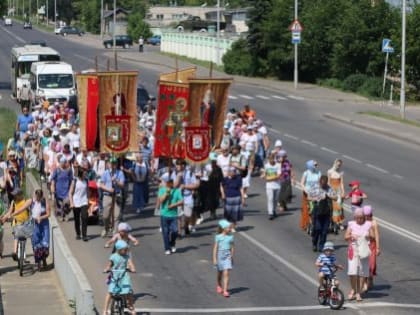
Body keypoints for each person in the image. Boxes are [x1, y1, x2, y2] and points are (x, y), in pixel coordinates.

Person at [344, 207, 374, 302]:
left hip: (364, 249)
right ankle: (354, 289)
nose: (360, 219)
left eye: (361, 217)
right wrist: (352, 235)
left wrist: (368, 235)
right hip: (353, 249)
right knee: (352, 272)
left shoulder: (368, 225)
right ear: (355, 217)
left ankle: (358, 293)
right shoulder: (351, 224)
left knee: (362, 273)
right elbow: (345, 237)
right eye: (358, 218)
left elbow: (373, 237)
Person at [102, 240, 136, 315]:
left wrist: (132, 268)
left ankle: (131, 306)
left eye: (127, 249)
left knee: (128, 291)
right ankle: (105, 309)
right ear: (119, 249)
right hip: (115, 275)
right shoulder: (113, 256)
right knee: (110, 292)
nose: (126, 251)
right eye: (125, 250)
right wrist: (106, 269)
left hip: (124, 275)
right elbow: (109, 265)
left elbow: (130, 264)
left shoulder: (127, 257)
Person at [1, 188, 32, 260]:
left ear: (20, 195)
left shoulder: (25, 201)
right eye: (14, 195)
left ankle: (22, 253)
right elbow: (9, 212)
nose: (14, 196)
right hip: (16, 222)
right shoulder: (13, 202)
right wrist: (4, 218)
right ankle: (15, 252)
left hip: (25, 222)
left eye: (16, 195)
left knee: (23, 237)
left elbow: (30, 211)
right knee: (16, 236)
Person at [308, 175, 336, 252]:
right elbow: (309, 197)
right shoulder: (315, 187)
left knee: (324, 231)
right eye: (322, 184)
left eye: (325, 184)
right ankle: (314, 243)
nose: (323, 186)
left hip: (326, 211)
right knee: (317, 228)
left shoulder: (329, 188)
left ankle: (321, 245)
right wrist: (317, 198)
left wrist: (328, 196)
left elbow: (336, 198)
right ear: (320, 182)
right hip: (317, 210)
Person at [99, 157, 125, 237]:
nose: (113, 165)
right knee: (106, 216)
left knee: (116, 215)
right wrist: (108, 189)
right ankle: (106, 228)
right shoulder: (105, 173)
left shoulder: (120, 173)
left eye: (114, 163)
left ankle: (115, 232)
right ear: (109, 164)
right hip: (107, 196)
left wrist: (116, 181)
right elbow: (101, 185)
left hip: (117, 196)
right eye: (112, 163)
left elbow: (122, 185)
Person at [158, 175, 183, 255]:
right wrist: (166, 193)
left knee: (175, 231)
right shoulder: (162, 190)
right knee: (165, 232)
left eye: (171, 182)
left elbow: (181, 201)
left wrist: (174, 205)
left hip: (173, 215)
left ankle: (172, 243)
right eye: (168, 182)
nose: (170, 184)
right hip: (164, 215)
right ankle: (167, 248)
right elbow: (161, 201)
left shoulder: (177, 191)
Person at [213, 219, 234, 298]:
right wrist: (214, 259)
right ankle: (219, 284)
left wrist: (231, 256)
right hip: (220, 255)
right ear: (223, 228)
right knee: (220, 273)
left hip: (227, 256)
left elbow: (232, 247)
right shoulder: (218, 237)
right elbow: (215, 248)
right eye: (228, 228)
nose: (230, 229)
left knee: (226, 273)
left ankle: (225, 290)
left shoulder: (231, 237)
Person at [30, 189, 51, 271]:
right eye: (36, 196)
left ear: (41, 196)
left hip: (44, 224)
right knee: (37, 243)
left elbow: (48, 214)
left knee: (45, 244)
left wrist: (41, 217)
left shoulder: (45, 201)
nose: (37, 198)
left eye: (39, 197)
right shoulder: (33, 202)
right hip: (35, 225)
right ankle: (39, 262)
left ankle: (44, 259)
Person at [220, 167, 245, 232]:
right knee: (228, 213)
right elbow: (221, 186)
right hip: (228, 198)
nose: (233, 173)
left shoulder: (238, 178)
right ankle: (228, 226)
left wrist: (242, 197)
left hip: (236, 197)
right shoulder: (225, 179)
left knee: (235, 213)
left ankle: (233, 226)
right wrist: (222, 194)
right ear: (228, 172)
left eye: (234, 172)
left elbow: (241, 188)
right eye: (231, 172)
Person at [69, 164, 89, 241]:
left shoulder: (86, 181)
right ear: (81, 174)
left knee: (84, 218)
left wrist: (88, 200)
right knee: (77, 219)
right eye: (84, 174)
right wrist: (71, 203)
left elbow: (87, 191)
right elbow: (70, 193)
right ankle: (78, 233)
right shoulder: (75, 181)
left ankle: (84, 235)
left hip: (84, 202)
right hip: (76, 202)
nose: (85, 175)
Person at [300, 160, 321, 231]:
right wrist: (306, 190)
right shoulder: (306, 173)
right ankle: (306, 223)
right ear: (310, 166)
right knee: (307, 209)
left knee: (316, 209)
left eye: (316, 165)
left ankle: (315, 223)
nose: (316, 166)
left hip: (316, 194)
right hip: (307, 194)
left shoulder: (318, 173)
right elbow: (302, 183)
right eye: (314, 165)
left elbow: (320, 183)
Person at [51, 156, 73, 221]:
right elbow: (53, 180)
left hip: (66, 191)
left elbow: (72, 180)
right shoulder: (57, 170)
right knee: (59, 205)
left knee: (67, 203)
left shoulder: (69, 170)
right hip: (58, 191)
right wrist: (52, 187)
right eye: (61, 162)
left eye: (64, 162)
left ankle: (66, 214)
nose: (63, 163)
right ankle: (61, 215)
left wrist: (71, 189)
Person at [363, 205, 380, 290]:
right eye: (365, 215)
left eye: (368, 215)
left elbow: (377, 235)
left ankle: (370, 278)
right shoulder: (361, 222)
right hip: (364, 244)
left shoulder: (374, 223)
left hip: (372, 245)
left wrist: (378, 248)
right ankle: (365, 283)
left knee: (372, 265)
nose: (367, 217)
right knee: (365, 264)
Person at [260, 153, 281, 220]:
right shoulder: (266, 165)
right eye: (270, 159)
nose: (271, 160)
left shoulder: (278, 165)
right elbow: (265, 173)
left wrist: (269, 178)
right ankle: (270, 213)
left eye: (272, 158)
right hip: (269, 185)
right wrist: (263, 175)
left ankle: (274, 210)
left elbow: (278, 175)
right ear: (268, 159)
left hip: (277, 185)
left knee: (275, 199)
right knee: (270, 199)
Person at [327, 159, 345, 232]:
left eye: (339, 165)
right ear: (334, 163)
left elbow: (341, 183)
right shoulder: (329, 172)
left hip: (338, 191)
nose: (338, 166)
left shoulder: (340, 173)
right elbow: (328, 182)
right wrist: (329, 191)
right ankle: (335, 222)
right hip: (332, 190)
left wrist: (343, 192)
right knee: (333, 207)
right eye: (337, 164)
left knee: (339, 207)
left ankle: (340, 222)